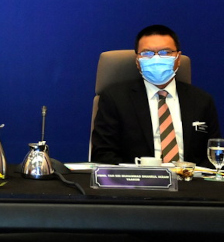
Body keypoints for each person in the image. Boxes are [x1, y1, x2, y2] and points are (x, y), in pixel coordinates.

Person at [92, 24, 220, 166]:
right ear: (137, 60)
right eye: (147, 53)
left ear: (178, 58)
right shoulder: (115, 98)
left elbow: (215, 155)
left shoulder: (202, 100)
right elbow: (103, 155)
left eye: (165, 52)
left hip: (190, 178)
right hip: (135, 179)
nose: (156, 59)